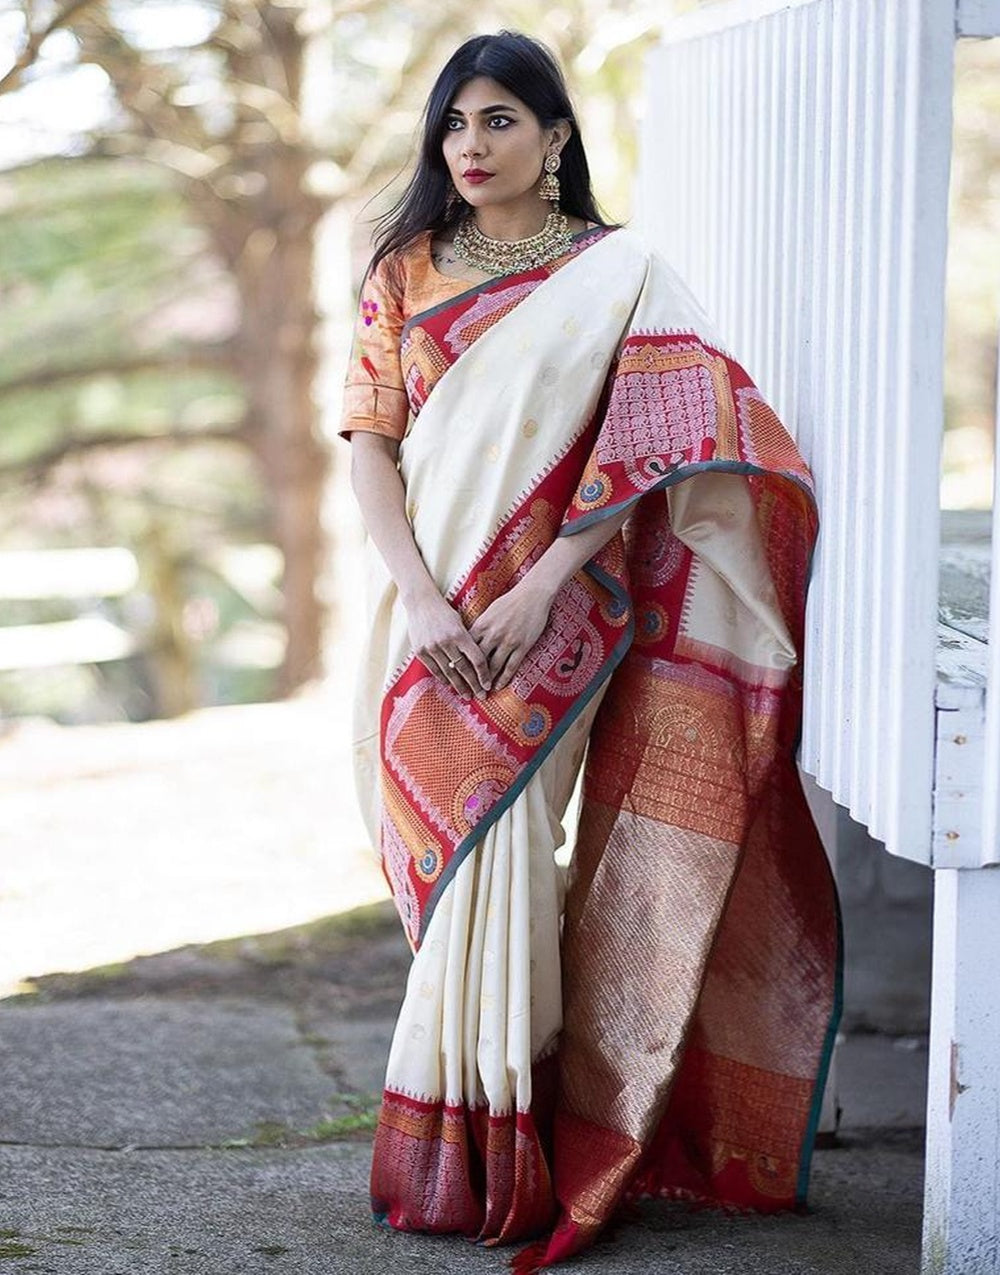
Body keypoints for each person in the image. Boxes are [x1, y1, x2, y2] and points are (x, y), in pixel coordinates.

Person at [338, 29, 841, 1275]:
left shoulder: (618, 273)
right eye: (455, 123)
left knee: (510, 847)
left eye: (501, 120)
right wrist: (421, 600)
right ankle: (470, 1128)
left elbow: (656, 443)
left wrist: (539, 586)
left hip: (550, 608)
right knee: (444, 854)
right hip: (420, 613)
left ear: (556, 136)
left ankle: (502, 1150)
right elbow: (367, 442)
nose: (472, 145)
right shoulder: (403, 271)